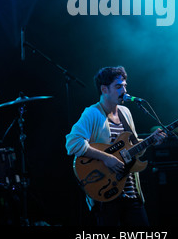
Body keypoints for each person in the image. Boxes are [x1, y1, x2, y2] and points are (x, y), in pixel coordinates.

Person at [65, 65, 166, 226]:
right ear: (104, 89)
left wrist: (151, 141)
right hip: (106, 192)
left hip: (131, 191)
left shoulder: (126, 112)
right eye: (118, 86)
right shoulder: (92, 113)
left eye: (125, 86)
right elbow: (72, 143)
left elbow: (132, 149)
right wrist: (107, 158)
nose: (124, 91)